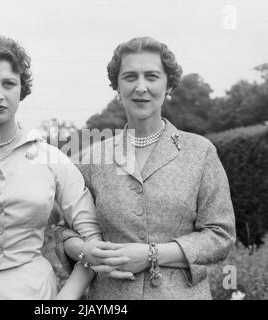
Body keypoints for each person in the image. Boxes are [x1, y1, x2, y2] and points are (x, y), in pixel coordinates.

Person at [0, 36, 131, 300]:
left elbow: (92, 242)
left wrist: (62, 302)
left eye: (8, 84)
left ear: (21, 89)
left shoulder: (52, 160)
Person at [55, 36, 236, 300]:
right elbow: (63, 231)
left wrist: (150, 254)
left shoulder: (200, 152)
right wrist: (86, 250)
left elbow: (220, 236)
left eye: (151, 76)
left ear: (168, 85)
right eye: (130, 77)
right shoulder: (92, 158)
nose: (141, 87)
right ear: (117, 87)